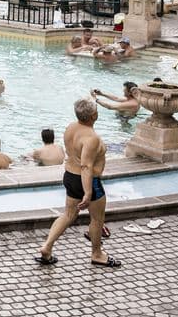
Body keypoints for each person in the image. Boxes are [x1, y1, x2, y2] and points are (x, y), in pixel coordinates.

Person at [37, 97, 119, 268]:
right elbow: (86, 166)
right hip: (88, 181)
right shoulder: (92, 138)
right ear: (94, 115)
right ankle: (97, 254)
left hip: (70, 176)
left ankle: (47, 247)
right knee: (97, 220)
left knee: (68, 215)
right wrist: (88, 192)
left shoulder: (70, 128)